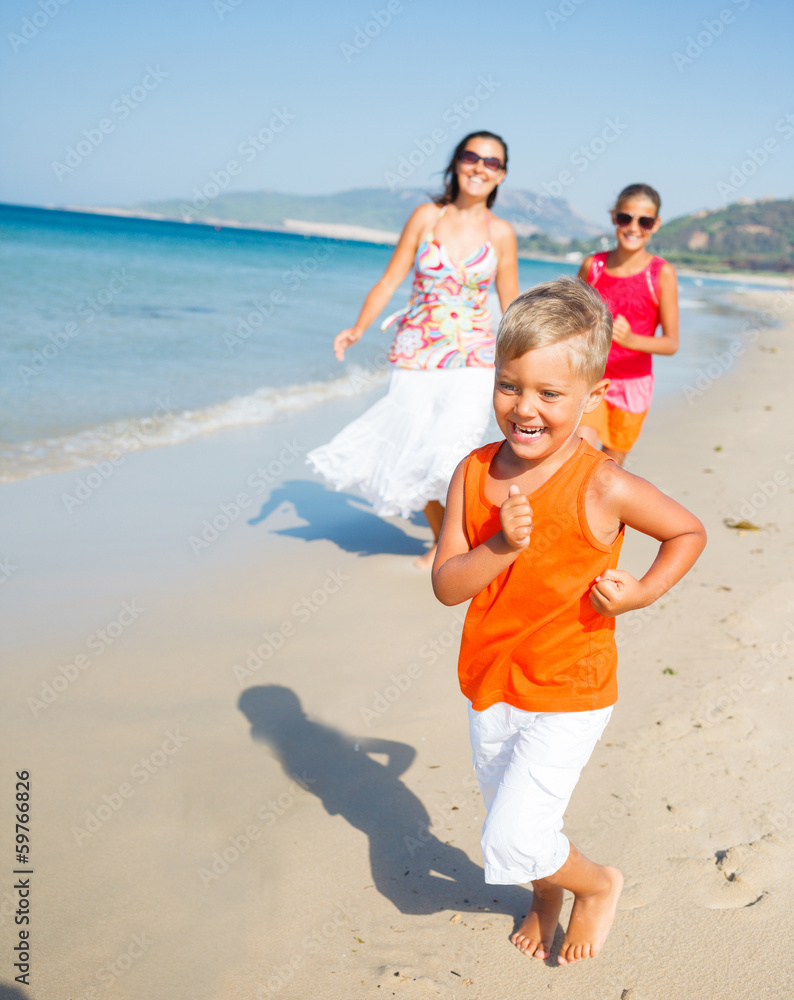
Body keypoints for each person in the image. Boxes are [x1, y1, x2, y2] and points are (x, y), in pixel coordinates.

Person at [431, 278, 706, 965]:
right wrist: (501, 546)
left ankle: (597, 884)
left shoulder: (601, 482)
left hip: (570, 686)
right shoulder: (471, 474)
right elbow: (445, 585)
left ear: (593, 398)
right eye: (509, 385)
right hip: (491, 681)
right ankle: (545, 893)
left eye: (550, 394)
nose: (525, 407)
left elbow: (687, 532)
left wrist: (641, 591)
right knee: (514, 821)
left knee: (514, 836)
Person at [307, 131, 519, 569]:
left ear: (501, 175)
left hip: (473, 359)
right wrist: (358, 327)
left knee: (447, 452)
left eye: (492, 162)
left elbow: (511, 303)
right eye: (472, 157)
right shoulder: (426, 217)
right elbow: (390, 279)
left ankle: (457, 540)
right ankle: (445, 540)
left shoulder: (501, 233)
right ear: (457, 163)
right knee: (414, 450)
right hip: (416, 355)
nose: (480, 167)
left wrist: (525, 358)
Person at [577, 183, 679, 466]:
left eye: (644, 221)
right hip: (590, 377)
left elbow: (671, 343)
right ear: (613, 217)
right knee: (578, 454)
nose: (633, 227)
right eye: (625, 218)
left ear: (655, 225)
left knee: (608, 470)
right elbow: (568, 321)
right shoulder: (593, 266)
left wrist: (632, 340)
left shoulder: (661, 274)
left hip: (633, 386)